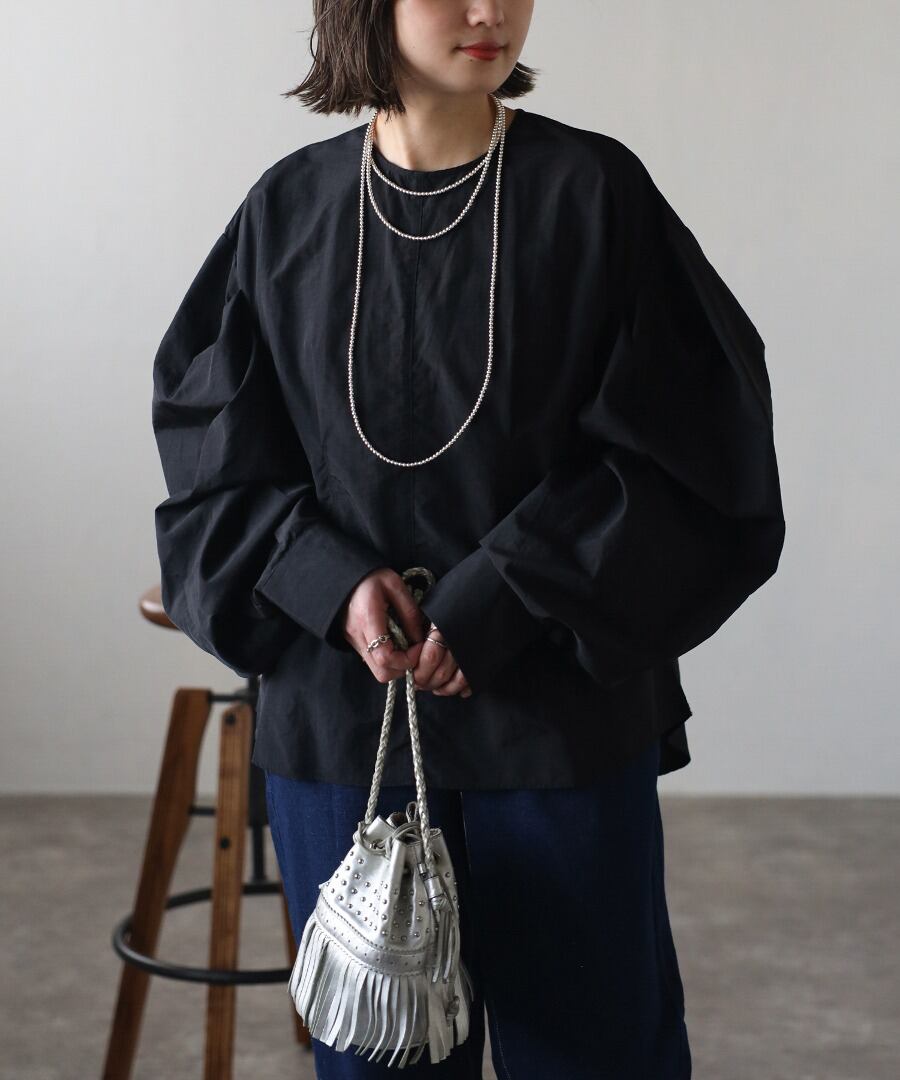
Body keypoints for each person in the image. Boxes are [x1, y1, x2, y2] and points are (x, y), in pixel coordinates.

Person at [151, 2, 785, 1077]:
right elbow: (214, 460)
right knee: (376, 1058)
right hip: (345, 725)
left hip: (556, 718)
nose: (491, 10)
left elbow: (695, 450)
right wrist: (331, 580)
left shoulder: (594, 194)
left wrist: (509, 591)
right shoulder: (286, 212)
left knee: (594, 1052)